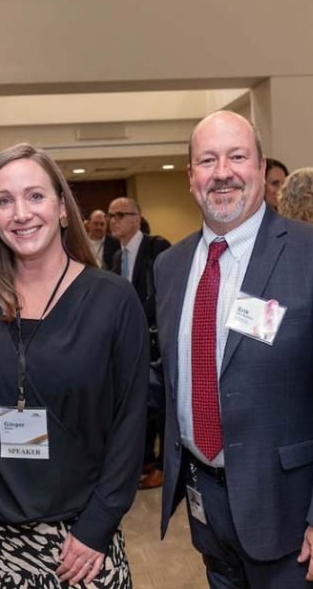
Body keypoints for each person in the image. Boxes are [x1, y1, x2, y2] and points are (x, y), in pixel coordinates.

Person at [155, 111, 313, 588]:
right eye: (207, 160)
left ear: (262, 167)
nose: (222, 172)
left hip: (290, 514)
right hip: (207, 501)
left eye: (237, 156)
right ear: (191, 178)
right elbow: (172, 376)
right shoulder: (170, 266)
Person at [0, 143, 148, 588]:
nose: (20, 213)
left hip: (76, 542)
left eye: (35, 196)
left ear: (63, 208)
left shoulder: (112, 300)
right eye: (3, 201)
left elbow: (130, 420)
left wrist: (98, 524)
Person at [107, 196, 172, 489]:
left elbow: (166, 295)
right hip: (130, 342)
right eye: (111, 216)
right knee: (138, 403)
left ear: (137, 218)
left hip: (157, 341)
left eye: (121, 215)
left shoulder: (156, 247)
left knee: (161, 406)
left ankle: (162, 465)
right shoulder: (118, 257)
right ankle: (145, 459)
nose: (113, 221)